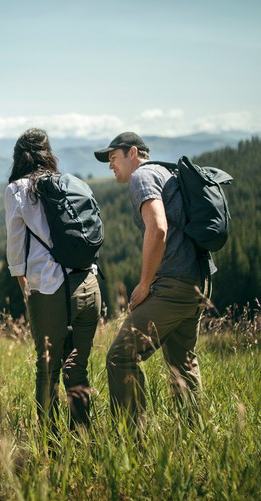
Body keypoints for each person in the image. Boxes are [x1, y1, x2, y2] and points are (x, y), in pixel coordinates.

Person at [94, 132, 214, 431]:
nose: (110, 165)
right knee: (182, 363)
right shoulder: (167, 172)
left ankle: (132, 440)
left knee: (120, 357)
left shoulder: (142, 177)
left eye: (113, 157)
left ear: (133, 152)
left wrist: (145, 283)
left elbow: (158, 228)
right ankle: (196, 438)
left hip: (172, 285)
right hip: (196, 281)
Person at [4, 128, 101, 433]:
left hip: (47, 288)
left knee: (47, 370)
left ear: (20, 156)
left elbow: (16, 250)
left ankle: (49, 441)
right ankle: (84, 436)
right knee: (77, 367)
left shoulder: (18, 190)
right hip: (87, 283)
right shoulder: (71, 183)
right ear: (49, 152)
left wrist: (26, 289)